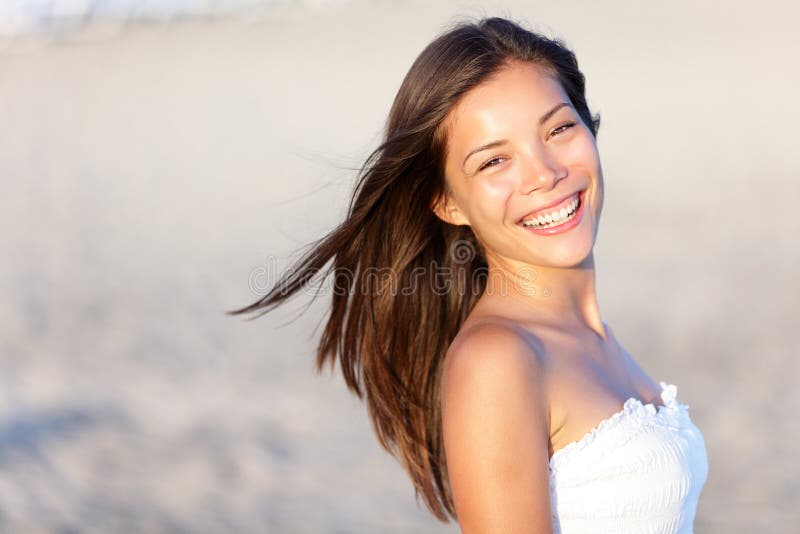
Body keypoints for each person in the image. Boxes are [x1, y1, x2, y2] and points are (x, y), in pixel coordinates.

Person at [230, 16, 709, 533]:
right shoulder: (497, 358)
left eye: (559, 128)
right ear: (447, 202)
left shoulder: (589, 338)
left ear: (589, 127)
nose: (544, 173)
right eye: (495, 161)